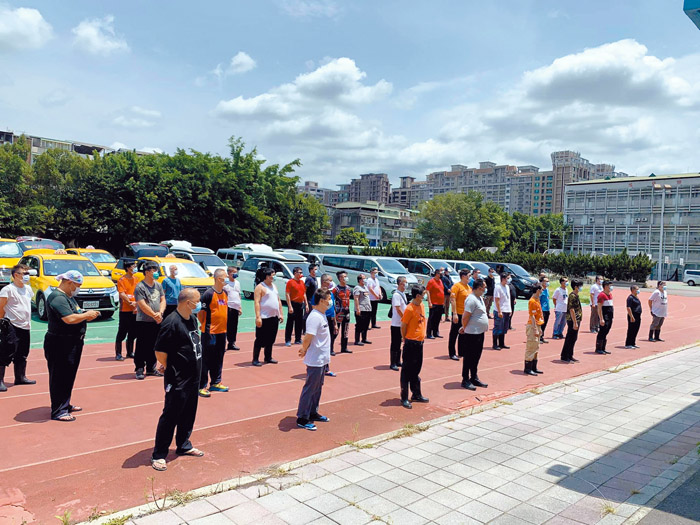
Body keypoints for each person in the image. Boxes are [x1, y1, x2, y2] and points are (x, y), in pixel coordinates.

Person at [151, 288, 205, 471]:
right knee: (171, 415)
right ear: (188, 302)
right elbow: (160, 351)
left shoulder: (193, 318)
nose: (199, 304)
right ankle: (159, 454)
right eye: (197, 301)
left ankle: (183, 444)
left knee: (189, 413)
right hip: (178, 379)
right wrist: (170, 366)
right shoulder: (171, 322)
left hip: (194, 377)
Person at [43, 271, 100, 421]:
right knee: (59, 376)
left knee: (68, 375)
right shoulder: (57, 297)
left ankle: (64, 404)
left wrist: (86, 315)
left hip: (72, 342)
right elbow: (69, 318)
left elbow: (77, 314)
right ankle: (58, 410)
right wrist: (87, 315)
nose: (78, 289)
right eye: (78, 285)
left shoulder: (68, 297)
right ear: (69, 282)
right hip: (60, 343)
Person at [296, 289, 333, 431]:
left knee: (318, 387)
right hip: (315, 359)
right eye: (329, 299)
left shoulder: (322, 315)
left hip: (323, 359)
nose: (330, 302)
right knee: (310, 387)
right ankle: (302, 417)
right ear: (322, 301)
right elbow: (308, 336)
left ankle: (312, 412)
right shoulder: (314, 317)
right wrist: (303, 349)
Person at [0, 264, 35, 391]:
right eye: (24, 274)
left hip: (25, 326)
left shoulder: (28, 289)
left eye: (28, 273)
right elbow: (1, 307)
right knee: (5, 352)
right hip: (11, 325)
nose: (27, 276)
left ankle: (20, 377)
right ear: (16, 275)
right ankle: (0, 380)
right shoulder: (8, 290)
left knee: (23, 353)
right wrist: (2, 322)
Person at [198, 269, 229, 397]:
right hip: (210, 331)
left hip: (222, 331)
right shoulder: (208, 294)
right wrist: (206, 326)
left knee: (219, 357)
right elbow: (201, 314)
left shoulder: (225, 293)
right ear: (218, 279)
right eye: (224, 277)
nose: (226, 279)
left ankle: (215, 382)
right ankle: (202, 386)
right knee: (206, 359)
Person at [134, 262, 166, 380]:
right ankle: (139, 368)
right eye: (153, 270)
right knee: (142, 345)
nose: (156, 273)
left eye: (156, 270)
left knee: (154, 345)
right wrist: (153, 315)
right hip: (144, 321)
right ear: (146, 272)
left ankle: (151, 368)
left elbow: (163, 300)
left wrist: (160, 313)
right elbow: (142, 304)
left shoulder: (158, 285)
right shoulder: (140, 287)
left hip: (156, 321)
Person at [400, 285, 429, 409]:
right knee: (407, 371)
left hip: (420, 343)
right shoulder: (409, 309)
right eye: (423, 294)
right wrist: (405, 338)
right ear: (418, 296)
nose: (425, 296)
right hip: (411, 343)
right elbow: (403, 325)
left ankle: (416, 394)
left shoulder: (421, 306)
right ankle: (404, 397)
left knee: (416, 370)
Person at [458, 278, 489, 390]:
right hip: (471, 333)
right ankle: (465, 379)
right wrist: (464, 327)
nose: (485, 289)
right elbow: (466, 316)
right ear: (479, 288)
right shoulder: (471, 299)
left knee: (476, 356)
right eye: (484, 287)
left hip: (479, 333)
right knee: (469, 357)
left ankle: (474, 377)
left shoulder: (479, 298)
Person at [252, 268, 284, 366]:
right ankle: (255, 359)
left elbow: (278, 300)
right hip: (264, 317)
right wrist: (258, 317)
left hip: (274, 316)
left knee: (271, 338)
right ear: (266, 276)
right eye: (272, 275)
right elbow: (257, 302)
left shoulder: (274, 286)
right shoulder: (260, 287)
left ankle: (268, 357)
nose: (273, 277)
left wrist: (281, 313)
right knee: (260, 339)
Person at [115, 261, 139, 361]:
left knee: (133, 332)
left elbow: (139, 293)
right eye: (134, 266)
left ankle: (130, 352)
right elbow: (122, 293)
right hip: (125, 310)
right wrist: (130, 303)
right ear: (128, 268)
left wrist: (137, 304)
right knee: (122, 332)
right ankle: (119, 353)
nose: (135, 268)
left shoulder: (136, 279)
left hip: (135, 310)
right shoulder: (122, 280)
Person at [448, 269, 471, 361]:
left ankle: (461, 352)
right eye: (469, 275)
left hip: (465, 314)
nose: (470, 277)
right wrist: (454, 314)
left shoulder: (469, 287)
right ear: (463, 276)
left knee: (463, 333)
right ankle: (452, 353)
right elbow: (453, 300)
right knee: (454, 333)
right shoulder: (456, 286)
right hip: (458, 313)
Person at [285, 267, 308, 347]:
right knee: (290, 323)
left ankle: (298, 339)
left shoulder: (302, 282)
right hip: (293, 303)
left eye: (301, 272)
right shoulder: (290, 282)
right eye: (299, 272)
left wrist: (306, 304)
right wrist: (290, 306)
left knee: (299, 322)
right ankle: (288, 340)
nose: (301, 274)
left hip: (300, 304)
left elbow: (304, 293)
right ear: (295, 273)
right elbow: (287, 294)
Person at [524, 283, 544, 376]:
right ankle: (528, 368)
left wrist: (540, 327)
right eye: (541, 290)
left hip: (538, 324)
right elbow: (532, 316)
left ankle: (534, 367)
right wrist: (535, 328)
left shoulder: (537, 299)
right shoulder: (532, 301)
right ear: (537, 290)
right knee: (531, 346)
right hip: (532, 325)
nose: (542, 291)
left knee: (536, 347)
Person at [561, 280, 582, 363]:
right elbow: (572, 309)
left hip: (576, 319)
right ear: (576, 287)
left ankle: (570, 355)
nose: (581, 288)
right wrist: (575, 322)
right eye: (580, 286)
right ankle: (565, 356)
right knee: (570, 338)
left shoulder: (576, 295)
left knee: (574, 338)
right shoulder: (572, 296)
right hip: (572, 320)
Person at [389, 276, 408, 371]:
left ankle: (397, 361)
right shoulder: (396, 295)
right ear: (400, 284)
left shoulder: (403, 294)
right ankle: (392, 363)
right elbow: (398, 308)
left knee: (399, 343)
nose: (406, 284)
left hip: (401, 324)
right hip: (396, 323)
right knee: (395, 343)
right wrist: (404, 318)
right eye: (405, 283)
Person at [334, 271, 353, 354]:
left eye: (346, 276)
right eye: (344, 276)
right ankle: (330, 348)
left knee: (345, 330)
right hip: (339, 312)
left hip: (347, 311)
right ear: (340, 278)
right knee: (335, 330)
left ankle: (344, 347)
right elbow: (331, 299)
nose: (346, 278)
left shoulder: (348, 288)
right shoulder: (336, 289)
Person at [492, 273, 512, 350]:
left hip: (506, 310)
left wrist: (509, 309)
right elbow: (497, 300)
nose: (509, 280)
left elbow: (508, 299)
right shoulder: (498, 287)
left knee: (504, 328)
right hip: (500, 310)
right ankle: (495, 344)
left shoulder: (507, 287)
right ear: (503, 279)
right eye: (508, 278)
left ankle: (501, 343)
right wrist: (499, 311)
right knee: (497, 327)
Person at [224, 266, 242, 350]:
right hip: (227, 307)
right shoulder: (225, 283)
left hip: (235, 307)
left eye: (236, 272)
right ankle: (223, 343)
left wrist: (240, 307)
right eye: (234, 272)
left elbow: (238, 294)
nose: (235, 274)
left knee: (234, 326)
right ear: (229, 273)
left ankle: (232, 343)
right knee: (226, 326)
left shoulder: (237, 282)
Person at [353, 274, 372, 345]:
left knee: (366, 324)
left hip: (367, 309)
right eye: (364, 278)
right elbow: (356, 298)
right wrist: (358, 309)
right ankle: (357, 340)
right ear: (360, 280)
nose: (365, 280)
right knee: (359, 325)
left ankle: (364, 338)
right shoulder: (357, 288)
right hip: (361, 309)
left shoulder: (365, 287)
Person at [595, 281, 614, 355]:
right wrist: (601, 318)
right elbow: (599, 308)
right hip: (605, 316)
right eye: (610, 286)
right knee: (602, 332)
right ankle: (598, 348)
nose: (611, 287)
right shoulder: (601, 295)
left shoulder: (610, 294)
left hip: (610, 316)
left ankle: (603, 348)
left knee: (606, 331)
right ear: (605, 286)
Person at [426, 269, 445, 339]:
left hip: (440, 303)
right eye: (440, 273)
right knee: (432, 319)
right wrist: (429, 302)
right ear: (437, 274)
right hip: (434, 303)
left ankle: (435, 332)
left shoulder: (440, 281)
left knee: (437, 319)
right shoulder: (431, 281)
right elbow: (427, 291)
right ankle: (429, 333)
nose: (441, 275)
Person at [625, 285, 642, 349]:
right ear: (633, 290)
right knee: (631, 329)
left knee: (636, 329)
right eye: (636, 289)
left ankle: (633, 343)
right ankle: (628, 343)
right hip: (633, 315)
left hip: (638, 315)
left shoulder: (636, 297)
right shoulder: (630, 298)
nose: (638, 290)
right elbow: (628, 307)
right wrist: (631, 316)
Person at [538, 276, 550, 343]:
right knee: (541, 324)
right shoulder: (540, 290)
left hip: (547, 309)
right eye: (546, 281)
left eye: (548, 281)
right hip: (542, 309)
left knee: (545, 324)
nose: (548, 283)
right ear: (542, 282)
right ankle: (538, 337)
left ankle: (542, 336)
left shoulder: (547, 290)